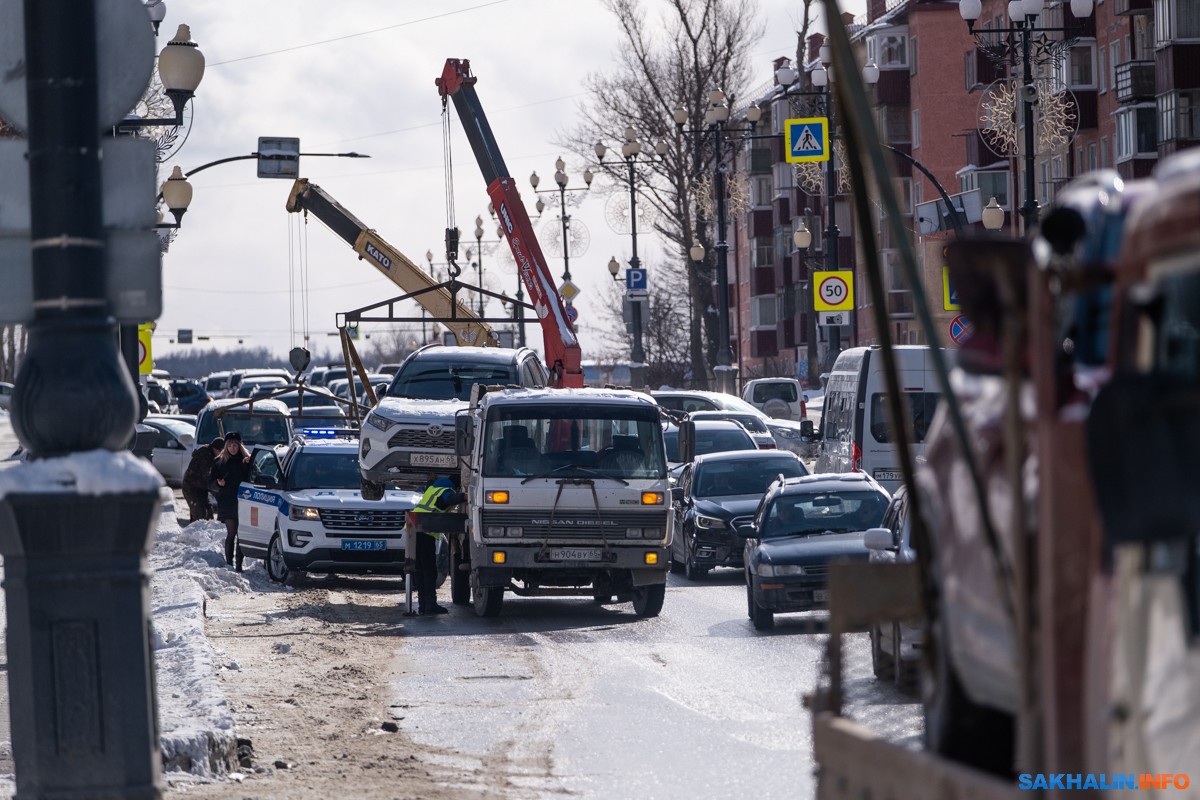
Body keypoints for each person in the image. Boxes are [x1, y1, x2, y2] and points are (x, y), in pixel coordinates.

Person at [411, 473, 463, 615]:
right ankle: (430, 605)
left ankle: (423, 605)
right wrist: (464, 497)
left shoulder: (434, 488)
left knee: (420, 569)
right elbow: (448, 500)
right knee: (429, 570)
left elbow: (431, 492)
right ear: (457, 487)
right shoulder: (447, 491)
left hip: (414, 530)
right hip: (425, 531)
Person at [210, 431, 252, 572]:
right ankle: (229, 563)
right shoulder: (219, 462)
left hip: (244, 501)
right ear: (226, 446)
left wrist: (249, 464)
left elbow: (255, 478)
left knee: (242, 534)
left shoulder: (247, 461)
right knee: (231, 532)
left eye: (235, 445)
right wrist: (218, 483)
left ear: (239, 446)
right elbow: (210, 483)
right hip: (227, 502)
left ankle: (239, 566)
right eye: (230, 445)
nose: (233, 448)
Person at [181, 437, 224, 523]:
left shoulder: (211, 455)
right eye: (221, 452)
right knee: (200, 515)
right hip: (191, 488)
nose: (221, 455)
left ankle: (203, 534)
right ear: (216, 449)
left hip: (201, 489)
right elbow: (208, 478)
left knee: (209, 516)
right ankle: (193, 535)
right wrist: (219, 493)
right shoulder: (205, 456)